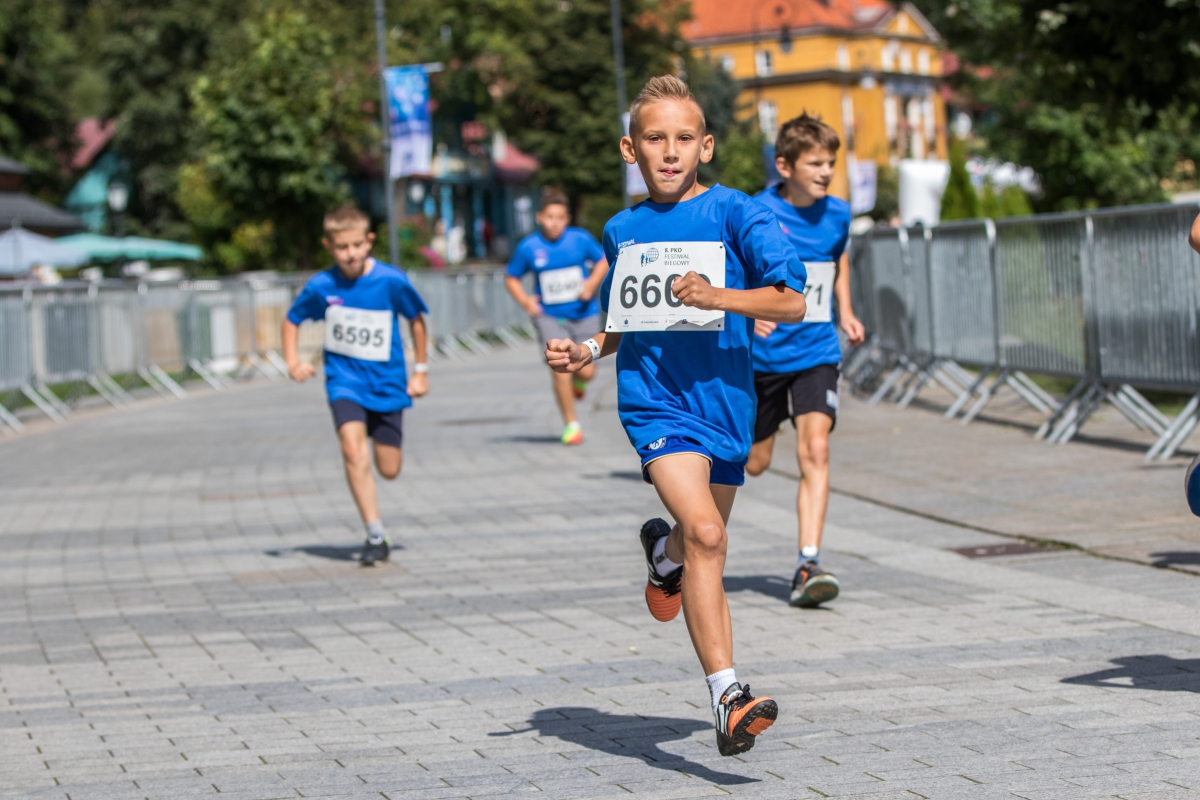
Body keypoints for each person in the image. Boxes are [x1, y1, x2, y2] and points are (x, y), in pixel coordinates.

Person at [544, 76, 808, 756]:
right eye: (655, 139)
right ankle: (728, 697)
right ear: (629, 149)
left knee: (695, 546)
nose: (669, 151)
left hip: (726, 404)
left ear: (706, 146)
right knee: (709, 535)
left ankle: (662, 557)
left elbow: (791, 302)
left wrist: (720, 296)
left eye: (684, 138)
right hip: (655, 402)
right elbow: (626, 319)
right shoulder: (622, 229)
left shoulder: (737, 213)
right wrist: (588, 349)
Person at [744, 113, 866, 608]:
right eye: (815, 163)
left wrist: (846, 310)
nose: (826, 172)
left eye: (830, 163)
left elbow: (838, 260)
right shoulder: (755, 212)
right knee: (755, 463)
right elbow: (734, 267)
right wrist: (750, 313)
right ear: (784, 166)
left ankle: (807, 563)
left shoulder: (838, 214)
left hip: (816, 350)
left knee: (816, 449)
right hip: (763, 357)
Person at [282, 206, 430, 566]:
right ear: (328, 246)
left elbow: (416, 320)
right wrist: (293, 361)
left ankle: (378, 443)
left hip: (388, 383)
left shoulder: (391, 280)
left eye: (356, 245)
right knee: (352, 450)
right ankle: (375, 533)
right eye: (342, 247)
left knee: (389, 469)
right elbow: (292, 319)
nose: (350, 254)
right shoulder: (321, 286)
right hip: (344, 381)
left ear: (369, 241)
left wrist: (420, 370)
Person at [505, 188, 609, 445]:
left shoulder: (579, 239)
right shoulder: (529, 246)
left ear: (567, 219)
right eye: (550, 217)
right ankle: (571, 425)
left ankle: (580, 382)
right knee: (560, 365)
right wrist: (525, 301)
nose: (555, 223)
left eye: (560, 218)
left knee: (587, 372)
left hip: (583, 313)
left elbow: (603, 260)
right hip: (549, 315)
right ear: (539, 217)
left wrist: (591, 285)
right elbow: (511, 277)